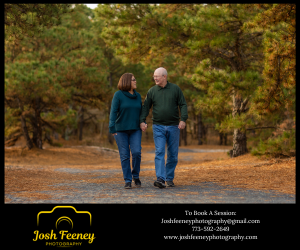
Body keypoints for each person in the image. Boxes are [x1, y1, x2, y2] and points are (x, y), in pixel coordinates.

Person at [140, 67, 188, 188]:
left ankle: (169, 177)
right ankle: (160, 178)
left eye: (157, 76)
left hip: (173, 126)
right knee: (160, 151)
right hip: (158, 126)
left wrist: (183, 119)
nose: (155, 78)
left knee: (173, 154)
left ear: (164, 77)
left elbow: (183, 104)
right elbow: (146, 107)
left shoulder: (175, 89)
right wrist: (142, 120)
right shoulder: (152, 91)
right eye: (154, 76)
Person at [109, 73, 142, 189]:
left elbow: (141, 112)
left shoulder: (138, 96)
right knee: (125, 155)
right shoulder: (118, 95)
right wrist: (112, 127)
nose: (135, 81)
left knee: (137, 153)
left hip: (135, 129)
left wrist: (143, 121)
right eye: (133, 80)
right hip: (120, 130)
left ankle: (135, 175)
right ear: (127, 81)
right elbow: (113, 112)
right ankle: (128, 180)